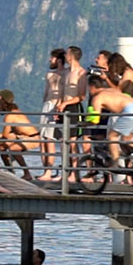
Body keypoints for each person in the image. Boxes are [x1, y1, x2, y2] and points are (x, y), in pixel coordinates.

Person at [86, 75, 133, 167]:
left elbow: (95, 120)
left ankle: (115, 162)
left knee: (111, 136)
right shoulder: (112, 90)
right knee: (127, 140)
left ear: (92, 86)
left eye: (88, 88)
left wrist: (84, 124)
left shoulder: (97, 98)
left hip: (129, 110)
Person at [0, 89, 41, 180]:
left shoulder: (10, 116)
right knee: (2, 147)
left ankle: (27, 174)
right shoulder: (14, 111)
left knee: (13, 148)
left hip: (33, 138)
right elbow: (8, 135)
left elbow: (6, 137)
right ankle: (10, 172)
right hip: (22, 136)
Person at [55, 46, 88, 176]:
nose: (65, 57)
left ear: (71, 56)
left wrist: (66, 103)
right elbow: (63, 92)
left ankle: (75, 173)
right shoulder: (67, 72)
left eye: (67, 54)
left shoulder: (81, 73)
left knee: (73, 141)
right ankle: (66, 172)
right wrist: (58, 107)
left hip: (74, 107)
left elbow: (81, 96)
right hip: (63, 107)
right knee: (63, 141)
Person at [39, 49, 66, 180]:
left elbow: (64, 92)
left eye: (53, 58)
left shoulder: (66, 74)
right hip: (47, 105)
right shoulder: (50, 74)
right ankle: (46, 170)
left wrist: (58, 106)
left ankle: (50, 171)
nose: (50, 60)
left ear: (59, 60)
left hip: (56, 105)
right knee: (43, 139)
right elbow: (46, 91)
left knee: (51, 139)